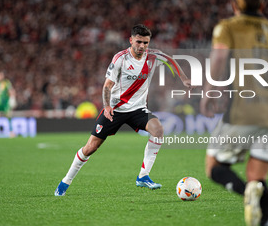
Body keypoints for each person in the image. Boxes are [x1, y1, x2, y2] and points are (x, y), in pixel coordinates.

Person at [200, 0, 268, 226]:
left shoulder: (228, 27)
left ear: (234, 4)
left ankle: (246, 193)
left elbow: (219, 59)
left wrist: (209, 92)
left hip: (242, 110)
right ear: (262, 4)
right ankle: (265, 218)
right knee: (258, 177)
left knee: (214, 166)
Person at [55, 24, 191, 196]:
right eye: (139, 42)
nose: (142, 46)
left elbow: (170, 60)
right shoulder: (120, 58)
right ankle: (65, 181)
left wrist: (184, 79)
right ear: (131, 40)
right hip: (116, 110)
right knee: (91, 147)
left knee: (158, 130)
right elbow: (107, 86)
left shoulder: (153, 56)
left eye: (146, 43)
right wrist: (106, 106)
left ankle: (143, 176)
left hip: (138, 109)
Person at [0, 71, 16, 138]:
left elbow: (11, 91)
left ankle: (11, 132)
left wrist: (12, 99)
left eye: (0, 76)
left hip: (5, 102)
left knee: (8, 116)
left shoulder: (6, 82)